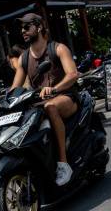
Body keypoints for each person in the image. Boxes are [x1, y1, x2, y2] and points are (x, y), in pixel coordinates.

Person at [10, 13, 79, 186]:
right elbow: (15, 87)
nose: (23, 31)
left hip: (65, 97)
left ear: (39, 27)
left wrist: (55, 88)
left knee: (50, 107)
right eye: (21, 28)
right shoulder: (24, 58)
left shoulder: (58, 48)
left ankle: (63, 164)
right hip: (39, 102)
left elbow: (72, 74)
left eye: (27, 27)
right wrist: (1, 102)